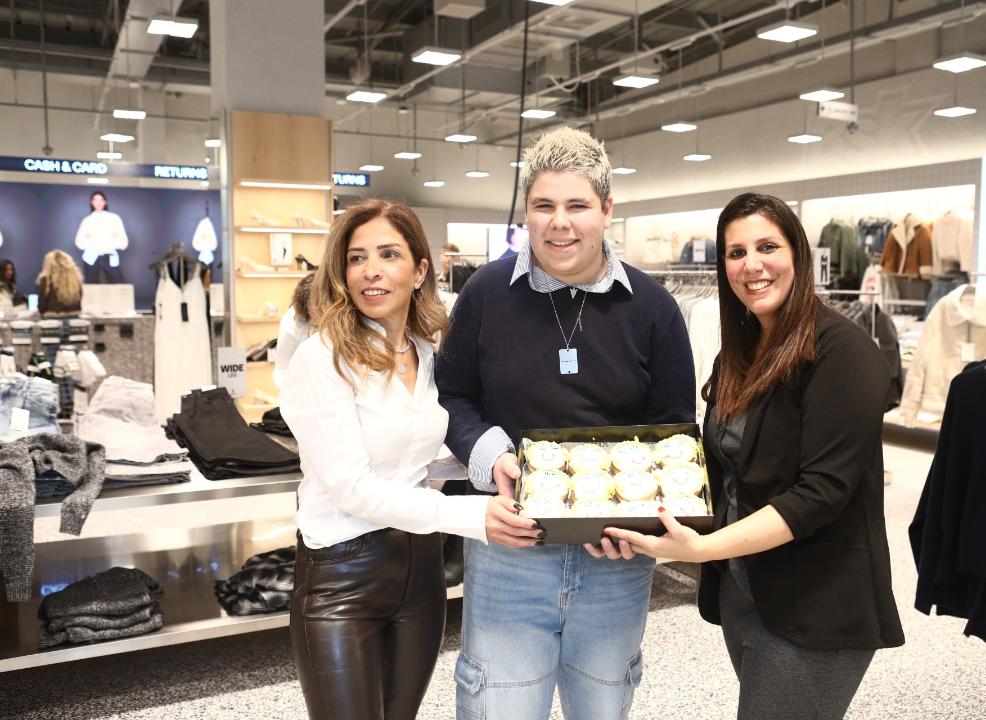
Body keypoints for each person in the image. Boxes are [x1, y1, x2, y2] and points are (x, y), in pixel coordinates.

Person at [605, 192, 905, 720]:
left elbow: (821, 494)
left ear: (798, 254)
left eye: (768, 247)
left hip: (816, 601)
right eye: (736, 252)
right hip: (745, 590)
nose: (752, 265)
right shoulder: (740, 353)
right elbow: (719, 464)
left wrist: (704, 548)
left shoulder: (843, 352)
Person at [435, 126, 695, 720]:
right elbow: (452, 396)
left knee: (602, 705)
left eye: (577, 205)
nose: (560, 223)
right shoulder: (486, 293)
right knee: (499, 705)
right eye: (543, 206)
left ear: (606, 210)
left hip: (616, 557)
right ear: (525, 213)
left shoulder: (654, 308)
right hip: (509, 546)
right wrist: (493, 457)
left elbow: (673, 428)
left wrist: (639, 516)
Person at [278, 198, 538, 720]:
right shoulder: (322, 358)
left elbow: (410, 457)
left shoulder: (423, 351)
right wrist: (472, 515)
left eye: (389, 254)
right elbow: (352, 487)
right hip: (342, 577)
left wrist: (486, 465)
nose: (370, 271)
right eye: (356, 258)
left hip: (419, 570)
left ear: (420, 271)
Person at [74, 190, 128, 284]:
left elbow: (123, 240)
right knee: (91, 286)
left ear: (105, 202)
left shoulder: (114, 218)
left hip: (109, 256)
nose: (98, 203)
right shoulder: (87, 220)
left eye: (101, 200)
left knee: (118, 285)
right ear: (91, 202)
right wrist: (93, 244)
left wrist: (109, 244)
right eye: (95, 200)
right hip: (91, 257)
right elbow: (79, 241)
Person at [272, 272, 314, 389]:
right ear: (306, 305)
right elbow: (281, 369)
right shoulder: (291, 324)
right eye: (315, 303)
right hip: (299, 387)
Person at [36, 250, 83, 317]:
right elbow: (79, 299)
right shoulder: (76, 279)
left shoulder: (46, 279)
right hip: (74, 316)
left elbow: (42, 306)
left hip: (53, 317)